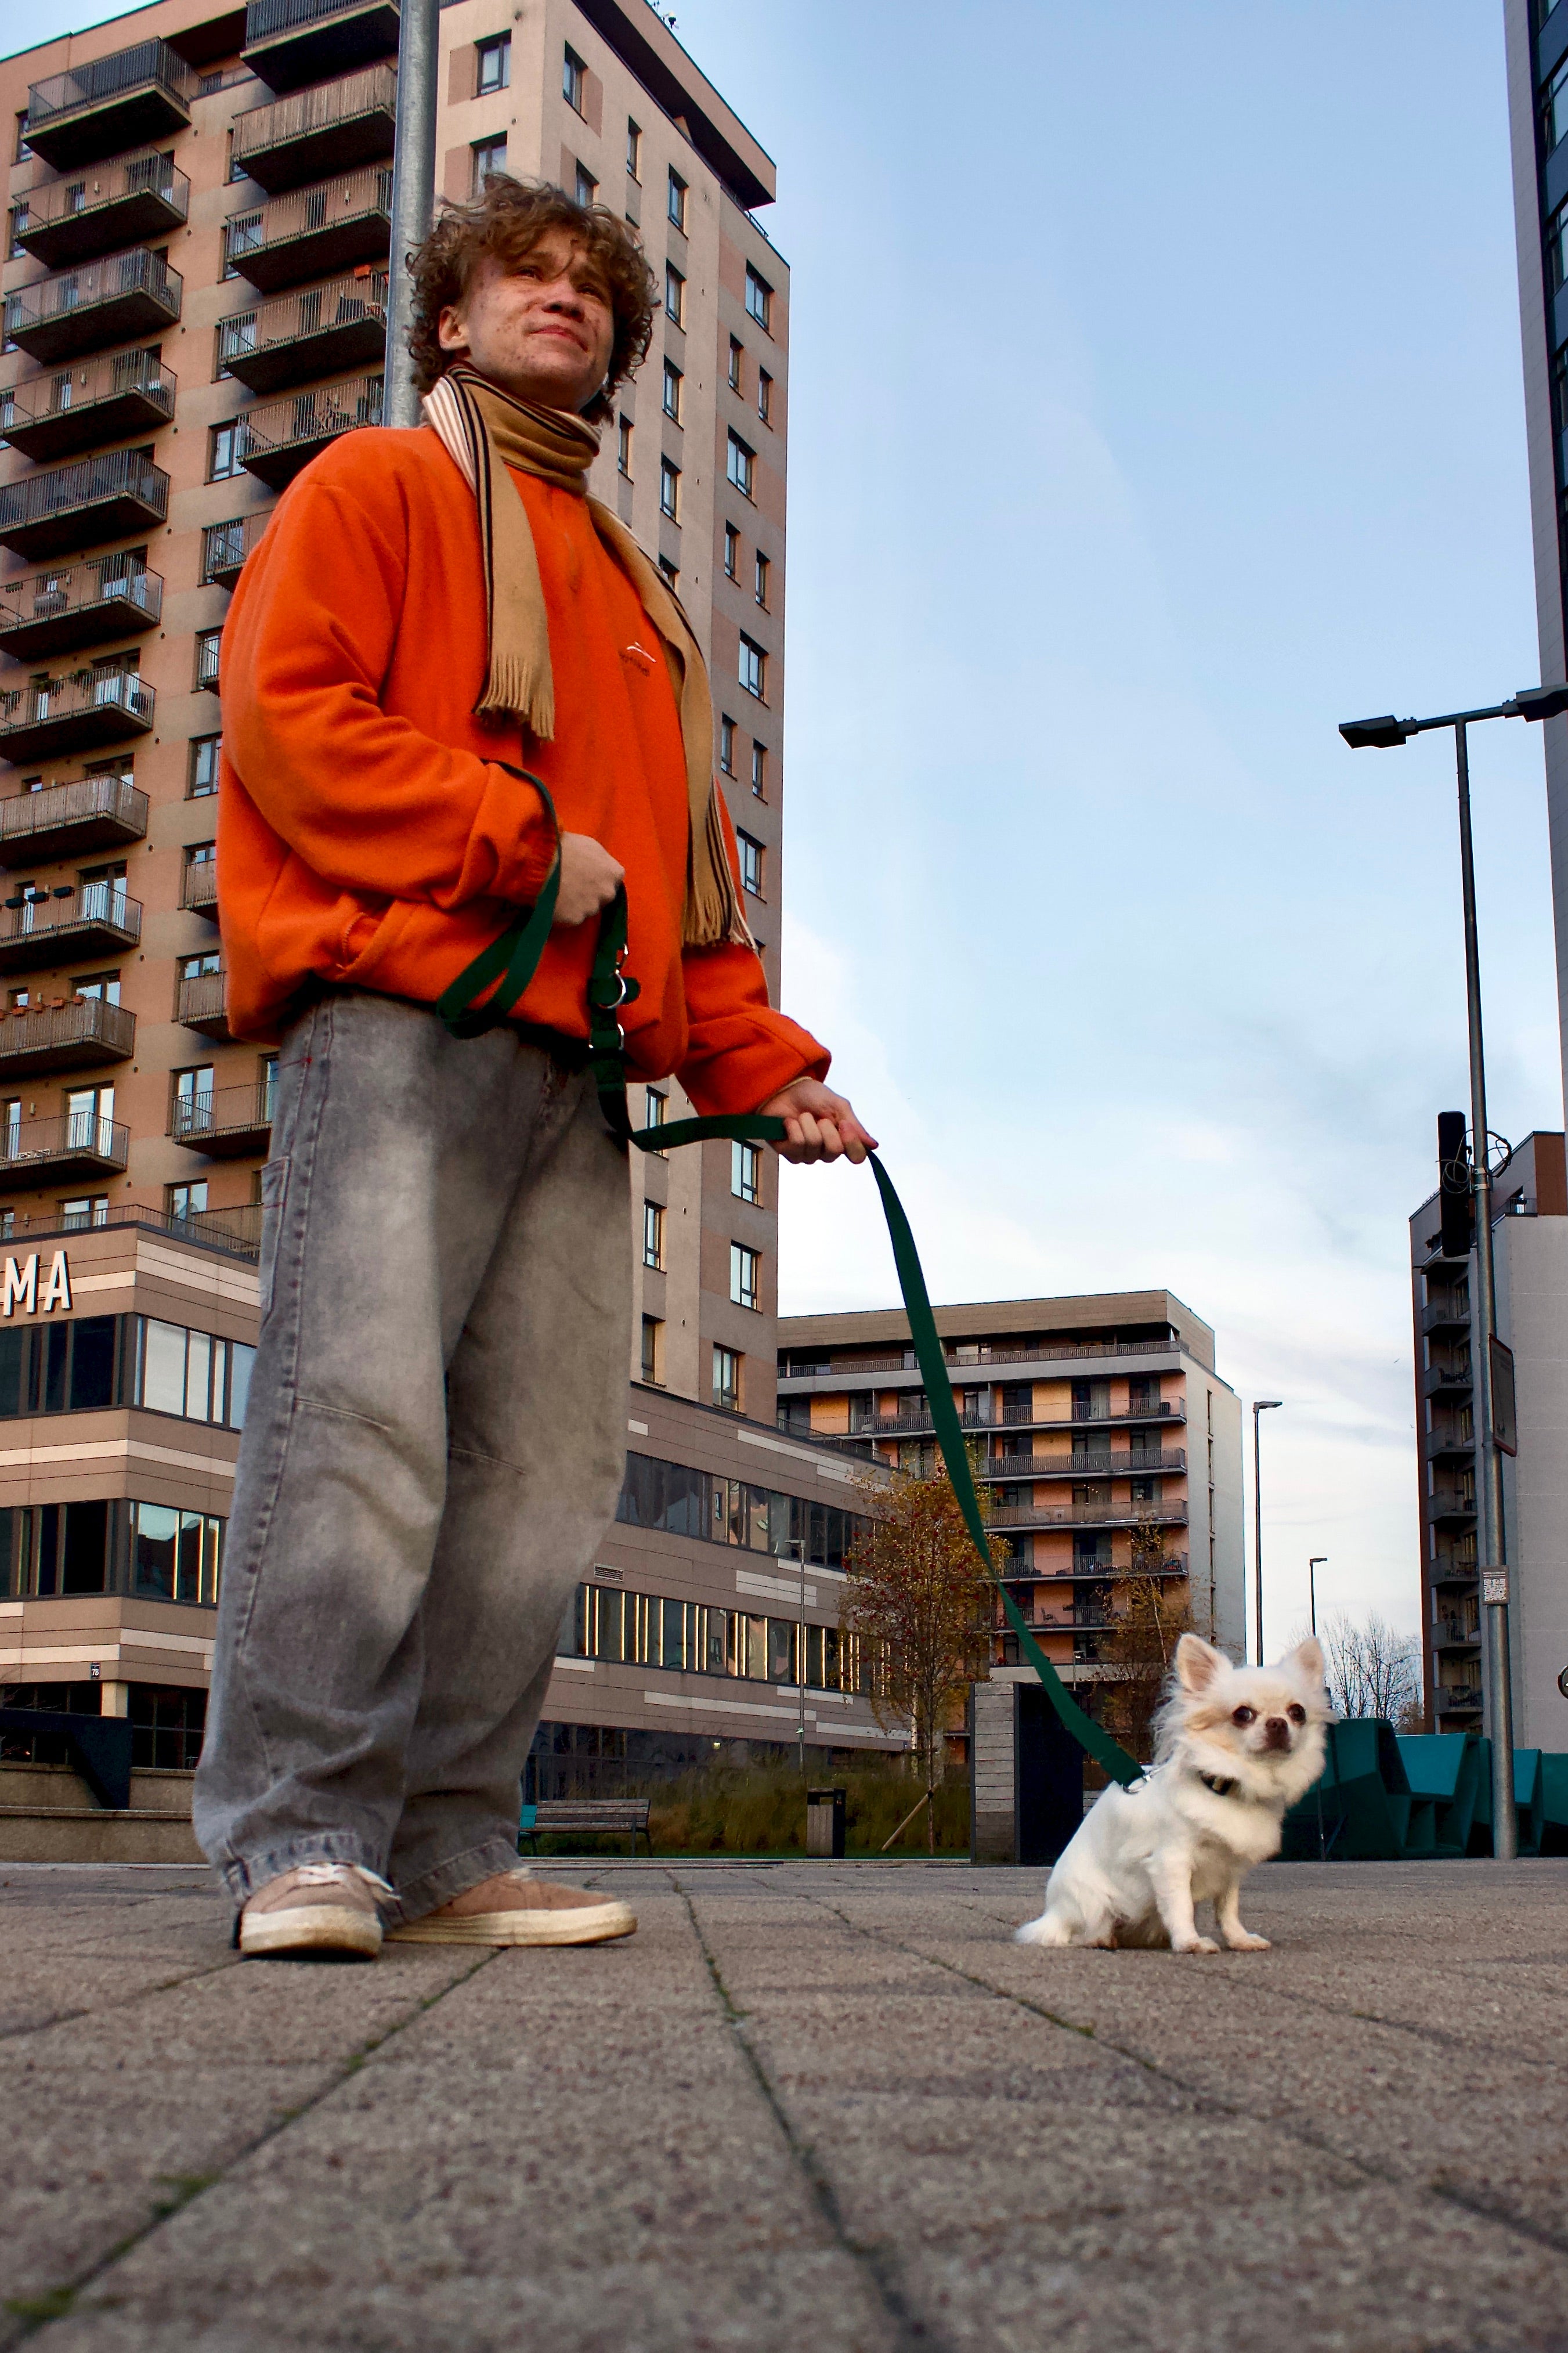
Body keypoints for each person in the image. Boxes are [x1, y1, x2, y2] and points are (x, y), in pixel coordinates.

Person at [192, 176, 875, 1960]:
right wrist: (509, 836)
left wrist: (769, 1069)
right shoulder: (378, 489)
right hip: (401, 1017)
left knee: (542, 1477)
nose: (563, 297)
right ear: (450, 317)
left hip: (575, 1075)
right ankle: (298, 1841)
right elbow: (286, 724)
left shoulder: (639, 609)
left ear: (621, 348)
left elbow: (681, 895)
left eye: (595, 290)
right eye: (526, 275)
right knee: (358, 1430)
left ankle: (442, 1851)